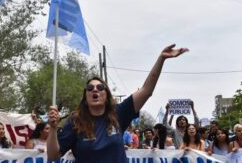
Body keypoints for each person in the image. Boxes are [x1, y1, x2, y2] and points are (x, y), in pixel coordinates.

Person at [47, 44, 188, 162]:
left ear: (106, 94)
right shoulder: (75, 121)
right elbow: (53, 155)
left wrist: (161, 58)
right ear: (86, 95)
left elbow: (146, 91)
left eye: (100, 87)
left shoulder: (119, 113)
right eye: (90, 88)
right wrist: (53, 129)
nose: (95, 89)